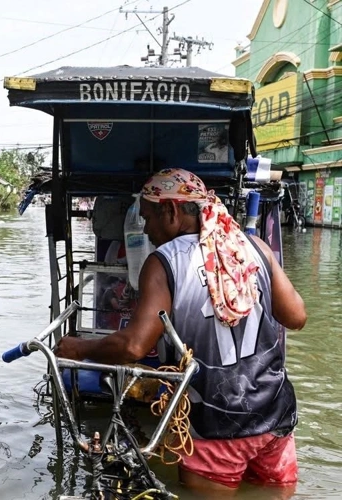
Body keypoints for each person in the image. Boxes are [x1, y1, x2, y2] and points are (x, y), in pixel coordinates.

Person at [56, 168, 307, 493]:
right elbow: (297, 316)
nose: (145, 229)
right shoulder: (254, 246)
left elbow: (134, 346)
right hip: (276, 416)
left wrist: (80, 349)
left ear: (171, 211)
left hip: (219, 426)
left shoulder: (164, 262)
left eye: (147, 217)